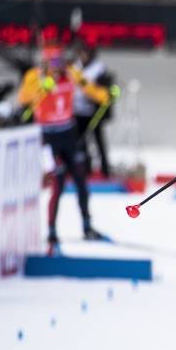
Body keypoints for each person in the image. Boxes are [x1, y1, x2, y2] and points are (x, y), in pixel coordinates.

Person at [17, 44, 110, 247]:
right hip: (48, 137)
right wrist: (42, 88)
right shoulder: (35, 75)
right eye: (53, 62)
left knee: (81, 181)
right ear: (45, 62)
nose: (58, 66)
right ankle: (51, 231)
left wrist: (105, 94)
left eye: (59, 61)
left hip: (67, 133)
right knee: (57, 184)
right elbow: (23, 98)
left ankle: (87, 226)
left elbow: (88, 87)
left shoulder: (71, 72)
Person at [71, 42, 115, 178]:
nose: (83, 56)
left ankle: (105, 170)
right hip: (78, 110)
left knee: (98, 141)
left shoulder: (98, 68)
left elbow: (104, 88)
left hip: (93, 112)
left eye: (86, 53)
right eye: (81, 53)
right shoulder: (75, 67)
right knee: (81, 142)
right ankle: (86, 168)